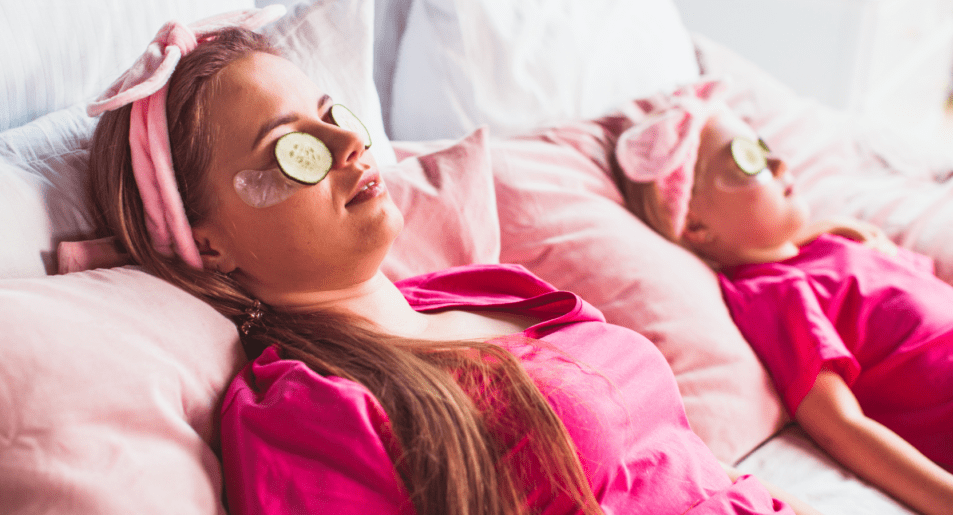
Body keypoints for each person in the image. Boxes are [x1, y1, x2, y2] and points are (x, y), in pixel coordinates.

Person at [72, 7, 811, 514]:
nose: (349, 146)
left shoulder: (483, 290)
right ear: (209, 242)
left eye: (334, 117)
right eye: (291, 150)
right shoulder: (307, 411)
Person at [610, 78, 953, 515]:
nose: (777, 163)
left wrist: (828, 232)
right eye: (745, 161)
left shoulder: (825, 249)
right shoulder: (772, 294)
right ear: (696, 226)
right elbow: (840, 426)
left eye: (762, 146)